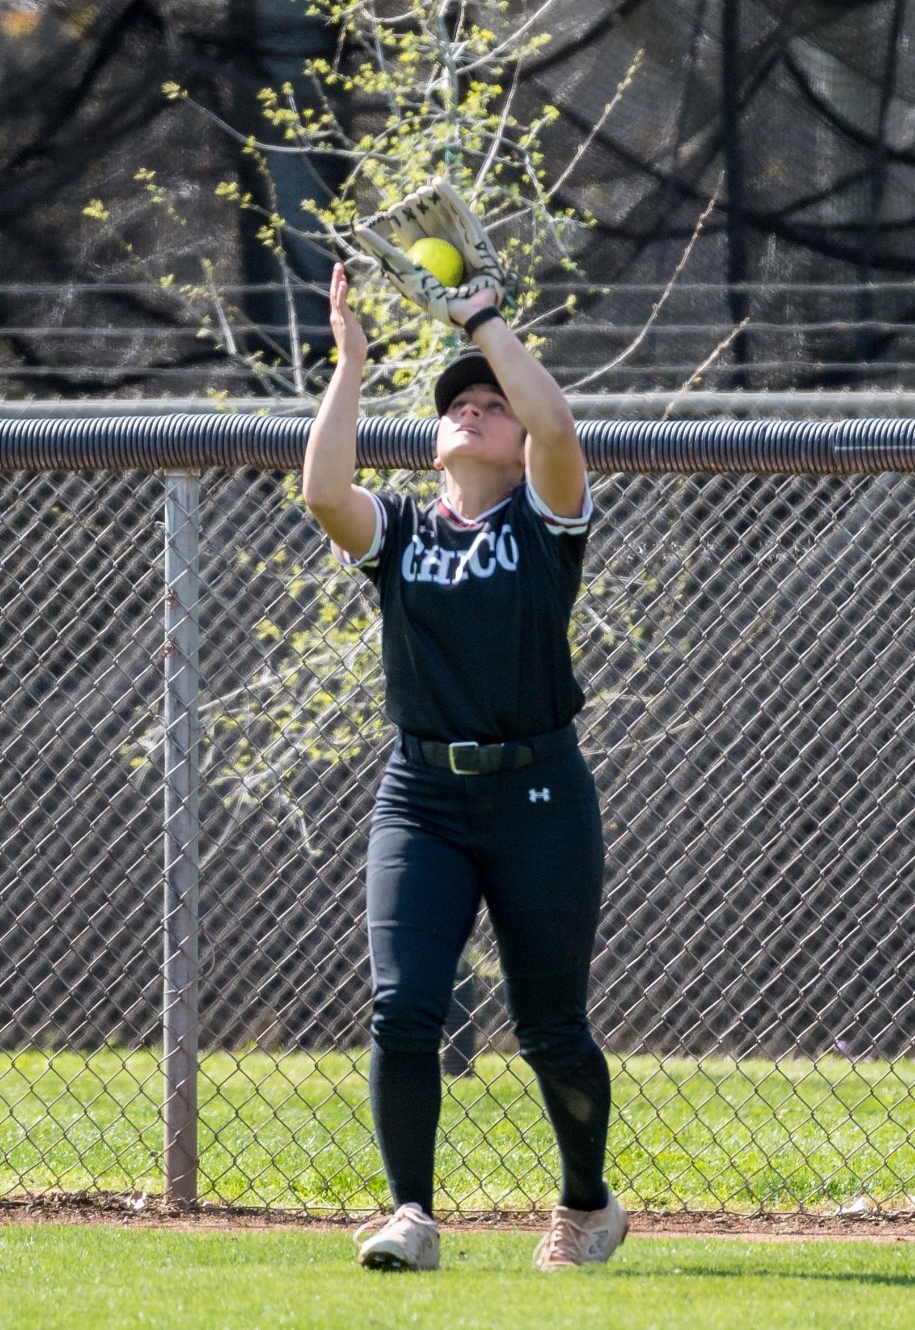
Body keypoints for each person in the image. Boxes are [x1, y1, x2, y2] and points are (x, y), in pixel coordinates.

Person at [301, 261, 625, 1272]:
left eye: (492, 405)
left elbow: (560, 430)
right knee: (401, 1007)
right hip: (423, 795)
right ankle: (410, 1213)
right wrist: (350, 365)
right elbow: (320, 492)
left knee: (550, 1030)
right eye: (457, 407)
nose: (472, 412)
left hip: (537, 792)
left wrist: (480, 319)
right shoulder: (397, 532)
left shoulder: (541, 522)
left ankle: (585, 1205)